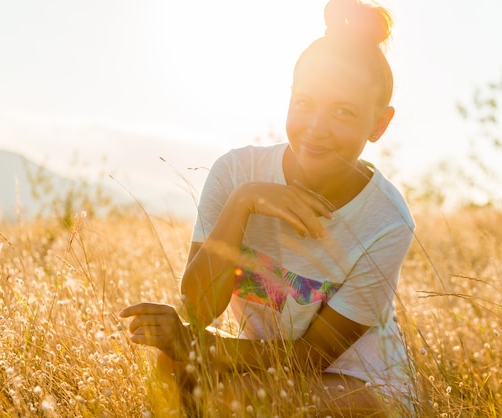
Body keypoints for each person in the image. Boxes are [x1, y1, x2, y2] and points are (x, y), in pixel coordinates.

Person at [119, 0, 416, 415]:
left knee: (233, 400)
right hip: (267, 369)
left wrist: (201, 346)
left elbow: (311, 358)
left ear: (379, 123)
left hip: (363, 386)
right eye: (305, 103)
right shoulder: (237, 172)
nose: (316, 127)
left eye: (343, 112)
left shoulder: (385, 220)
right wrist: (244, 203)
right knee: (173, 369)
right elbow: (200, 309)